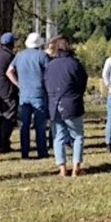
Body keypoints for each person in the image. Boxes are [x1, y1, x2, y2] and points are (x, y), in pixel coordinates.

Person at [44, 37, 88, 177]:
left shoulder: (50, 65)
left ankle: (62, 168)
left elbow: (45, 83)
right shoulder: (75, 64)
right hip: (72, 103)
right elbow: (82, 82)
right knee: (78, 136)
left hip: (54, 105)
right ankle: (76, 167)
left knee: (58, 137)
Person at [8, 32, 49, 159]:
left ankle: (24, 152)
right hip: (39, 94)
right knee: (40, 125)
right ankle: (42, 152)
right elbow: (49, 72)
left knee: (24, 125)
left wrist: (18, 84)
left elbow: (9, 72)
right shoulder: (42, 56)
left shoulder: (19, 56)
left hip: (24, 95)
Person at [0, 32, 19, 154]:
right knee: (8, 117)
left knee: (1, 117)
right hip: (7, 90)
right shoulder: (10, 57)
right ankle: (4, 144)